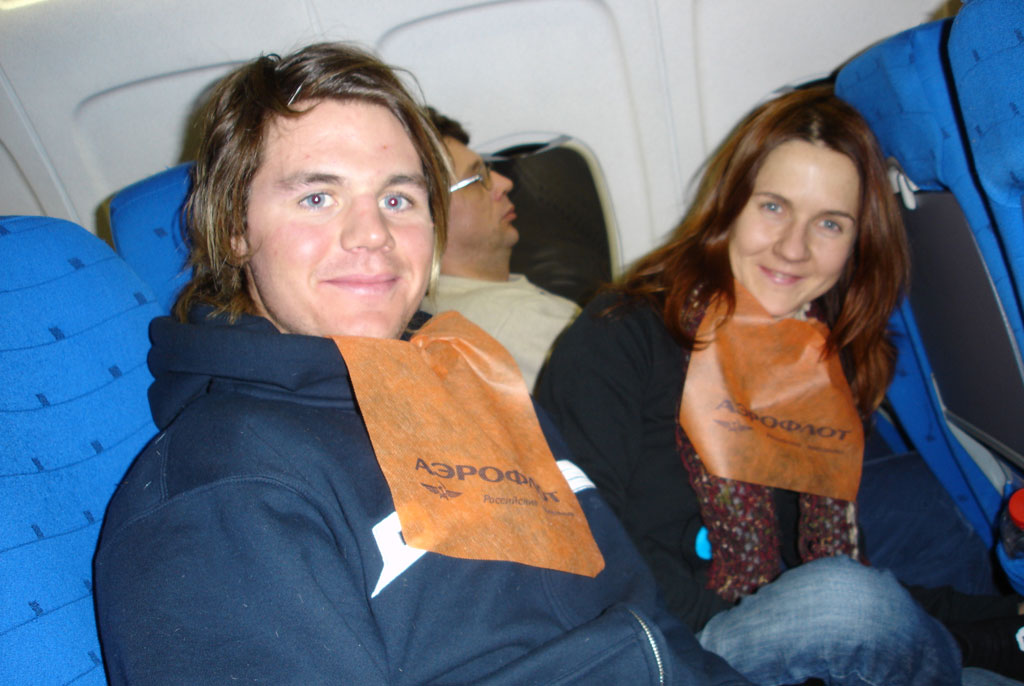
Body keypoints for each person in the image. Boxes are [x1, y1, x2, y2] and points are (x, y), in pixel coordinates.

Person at [91, 42, 750, 685]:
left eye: (397, 199)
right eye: (317, 198)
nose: (373, 235)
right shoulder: (220, 495)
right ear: (235, 229)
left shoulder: (470, 375)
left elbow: (650, 620)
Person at [537, 85, 1022, 685]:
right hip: (664, 649)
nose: (794, 247)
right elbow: (585, 548)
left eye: (829, 223)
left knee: (900, 554)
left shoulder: (821, 364)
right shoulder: (620, 333)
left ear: (857, 243)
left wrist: (1004, 617)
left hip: (791, 629)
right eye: (773, 207)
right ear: (729, 205)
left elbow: (818, 576)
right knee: (844, 604)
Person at [418, 107, 579, 390]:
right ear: (431, 214)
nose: (505, 183)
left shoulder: (438, 306)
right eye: (478, 179)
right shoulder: (517, 322)